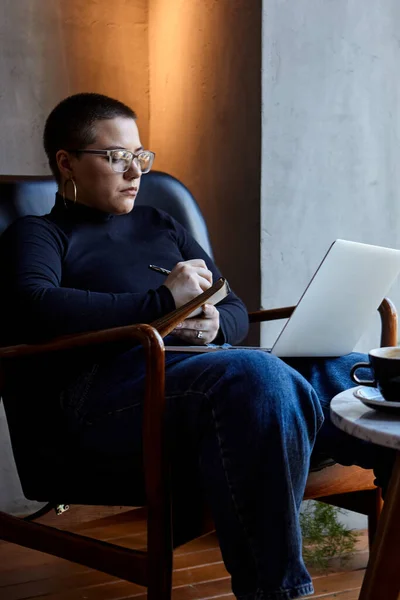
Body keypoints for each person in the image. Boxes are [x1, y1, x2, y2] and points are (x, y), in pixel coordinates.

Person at [0, 93, 393, 600]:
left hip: (207, 379)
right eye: (116, 157)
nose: (134, 171)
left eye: (140, 156)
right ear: (67, 161)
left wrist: (211, 327)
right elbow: (37, 306)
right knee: (258, 375)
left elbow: (232, 309)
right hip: (105, 399)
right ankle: (278, 593)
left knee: (360, 374)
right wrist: (163, 303)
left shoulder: (160, 224)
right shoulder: (41, 234)